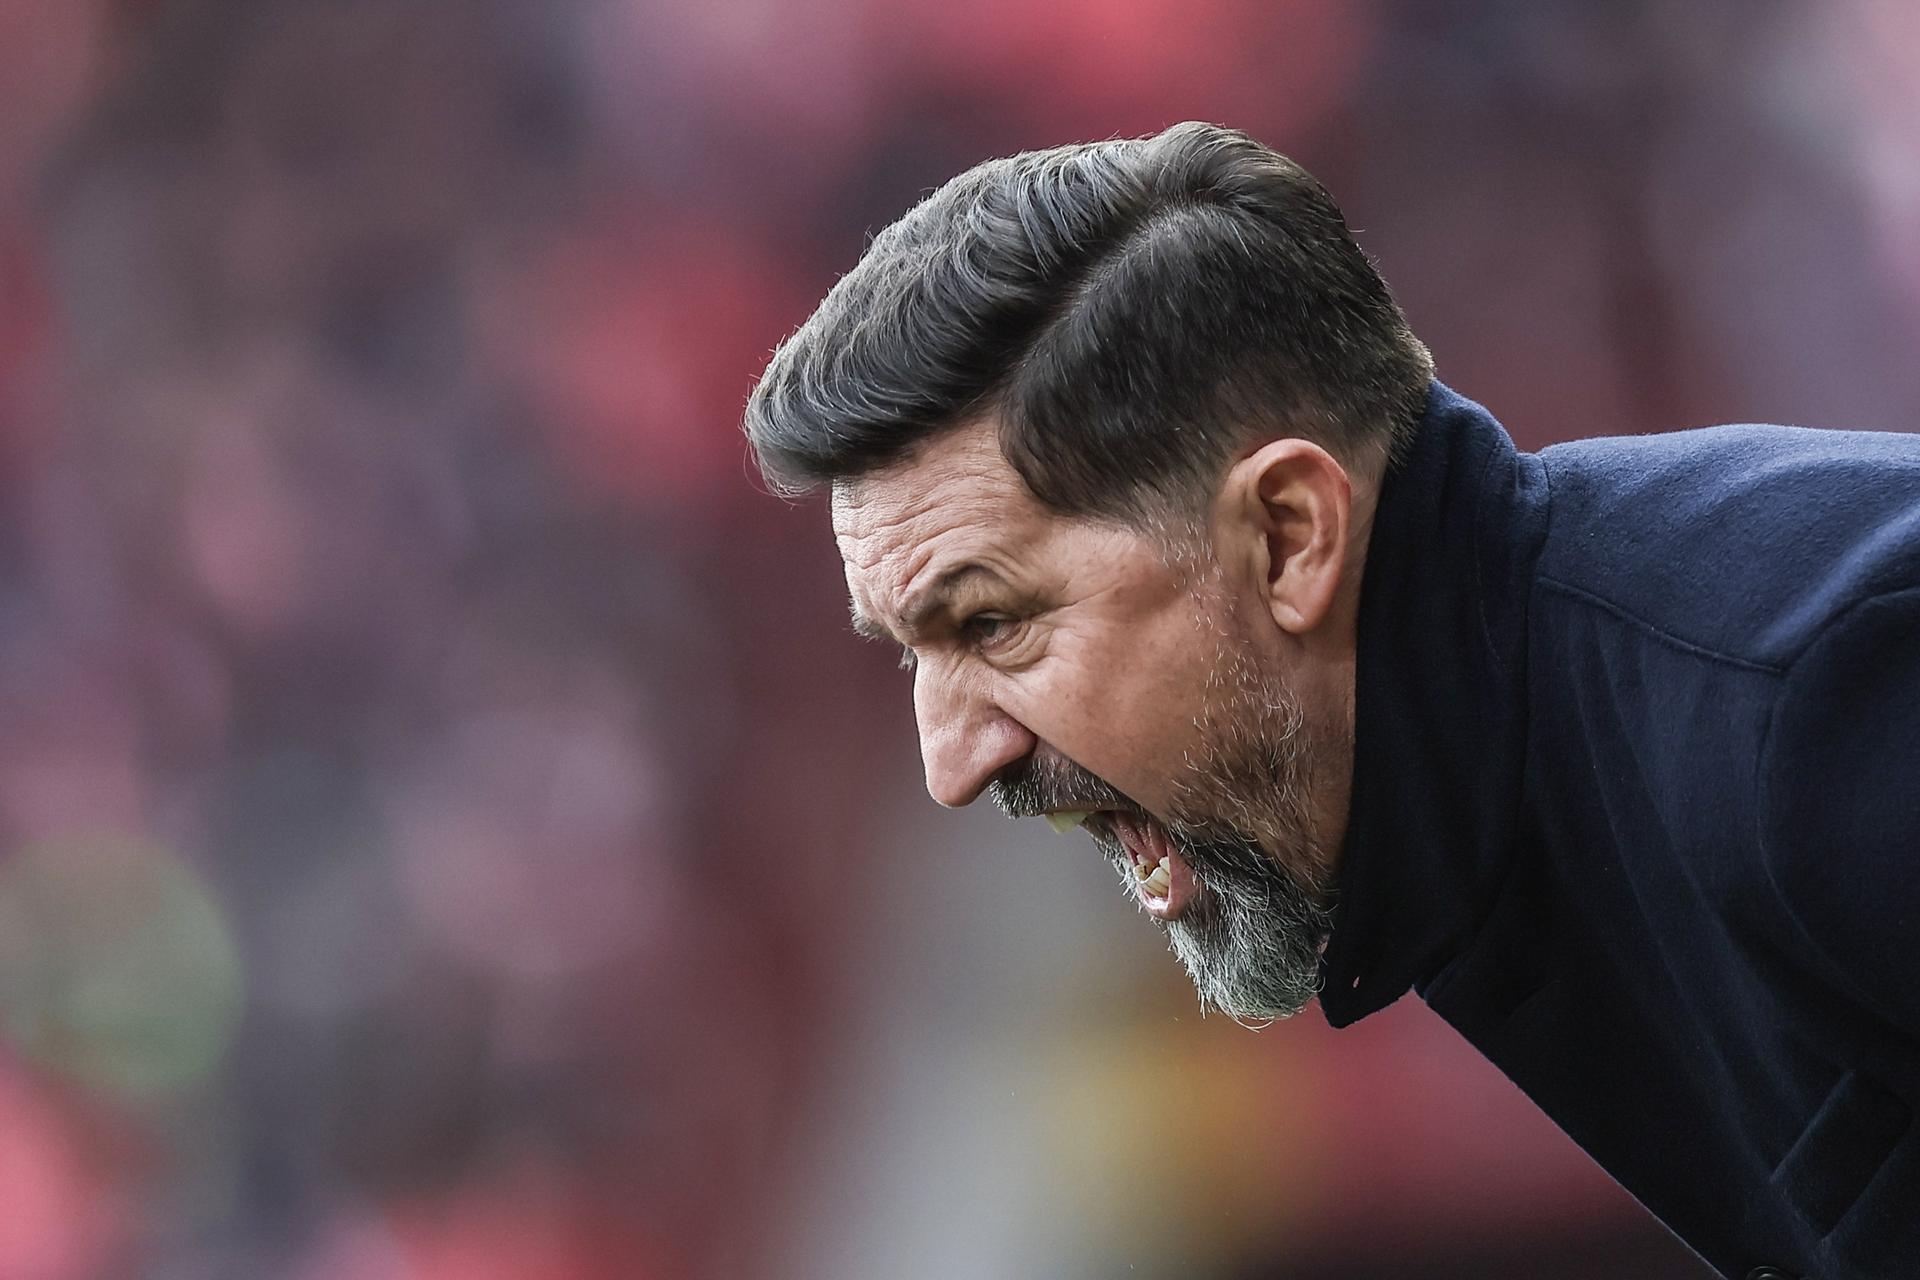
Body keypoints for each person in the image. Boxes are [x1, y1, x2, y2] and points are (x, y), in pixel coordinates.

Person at [741, 122, 1919, 1280]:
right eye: (910, 651)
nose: (951, 761)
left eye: (992, 621)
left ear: (1290, 535)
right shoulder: (1506, 769)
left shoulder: (1822, 701)